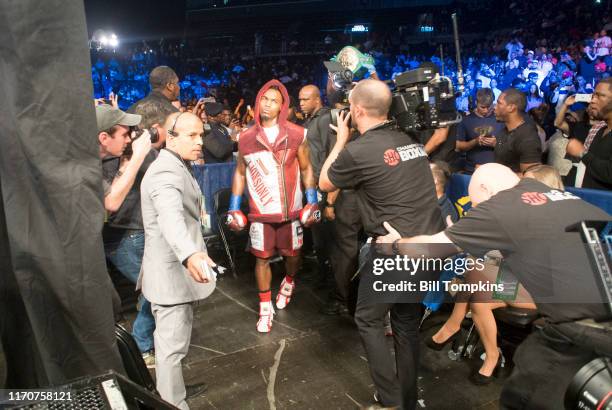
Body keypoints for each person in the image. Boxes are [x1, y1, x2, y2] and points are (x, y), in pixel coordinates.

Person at [377, 162, 611, 409]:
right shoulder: (553, 195)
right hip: (592, 306)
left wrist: (394, 244)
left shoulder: (499, 206)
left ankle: (467, 336)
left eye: (477, 204)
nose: (477, 209)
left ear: (487, 190)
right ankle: (462, 330)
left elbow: (427, 249)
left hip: (582, 325)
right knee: (476, 277)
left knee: (523, 396)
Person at [319, 78, 445, 409]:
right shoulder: (411, 140)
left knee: (369, 319)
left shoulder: (358, 151)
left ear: (356, 110)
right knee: (404, 323)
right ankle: (407, 398)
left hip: (397, 249)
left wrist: (342, 140)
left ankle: (391, 399)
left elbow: (323, 181)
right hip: (431, 246)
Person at [226, 80, 320, 333]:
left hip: (291, 213)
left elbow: (306, 167)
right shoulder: (245, 138)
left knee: (293, 256)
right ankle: (264, 306)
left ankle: (289, 282)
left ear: (282, 106)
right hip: (261, 213)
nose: (267, 104)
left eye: (274, 100)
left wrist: (312, 201)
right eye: (264, 99)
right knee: (261, 259)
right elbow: (240, 173)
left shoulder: (297, 134)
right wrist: (234, 207)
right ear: (257, 102)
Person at [139, 111, 218, 409]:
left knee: (173, 345)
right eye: (192, 136)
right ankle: (172, 402)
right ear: (170, 137)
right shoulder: (165, 173)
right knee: (170, 350)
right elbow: (170, 216)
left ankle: (173, 392)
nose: (200, 142)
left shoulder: (175, 164)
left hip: (172, 274)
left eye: (201, 135)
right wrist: (189, 253)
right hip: (171, 274)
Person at [97, 103, 159, 367]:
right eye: (124, 133)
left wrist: (127, 158)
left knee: (152, 288)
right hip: (119, 236)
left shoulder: (110, 156)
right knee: (154, 288)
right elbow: (111, 202)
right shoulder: (84, 162)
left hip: (120, 234)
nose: (130, 137)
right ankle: (141, 349)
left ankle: (140, 347)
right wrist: (135, 157)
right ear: (103, 137)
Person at [566, 78, 612, 190]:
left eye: (600, 96)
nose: (592, 100)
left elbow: (609, 173)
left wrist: (583, 153)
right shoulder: (600, 130)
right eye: (593, 95)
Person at [494, 88, 542, 173]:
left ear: (511, 108)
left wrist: (491, 174)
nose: (495, 107)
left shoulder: (527, 137)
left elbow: (530, 178)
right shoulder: (503, 132)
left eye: (499, 103)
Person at [456, 88, 504, 173]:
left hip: (498, 169)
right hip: (472, 170)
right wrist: (475, 142)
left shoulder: (501, 119)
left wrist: (497, 143)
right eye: (482, 107)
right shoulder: (466, 121)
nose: (486, 110)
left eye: (489, 107)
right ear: (476, 103)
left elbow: (513, 144)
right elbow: (458, 146)